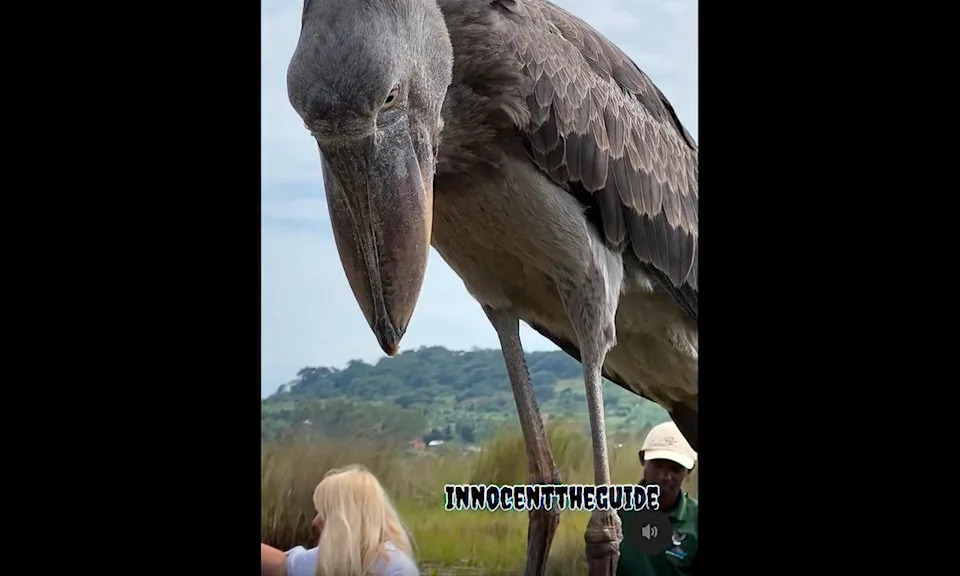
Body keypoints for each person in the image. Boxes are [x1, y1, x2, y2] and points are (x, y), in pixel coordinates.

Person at [261, 464, 420, 576]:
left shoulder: (396, 569)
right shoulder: (339, 558)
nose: (315, 521)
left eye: (325, 512)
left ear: (346, 517)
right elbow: (281, 566)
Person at [616, 420, 698, 576]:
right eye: (658, 465)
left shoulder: (694, 519)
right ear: (642, 459)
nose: (665, 477)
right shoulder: (615, 509)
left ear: (689, 470)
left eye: (675, 469)